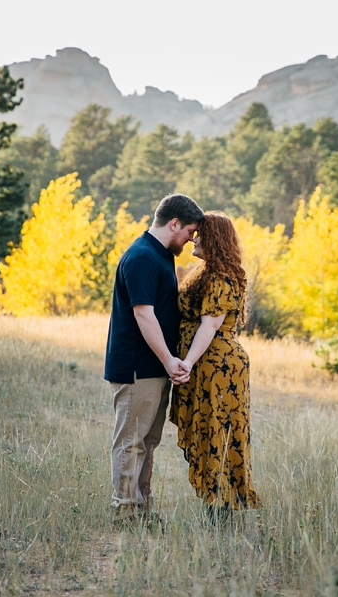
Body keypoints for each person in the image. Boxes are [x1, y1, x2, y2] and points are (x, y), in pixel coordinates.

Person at [103, 192, 203, 519]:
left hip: (155, 368)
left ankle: (141, 509)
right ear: (173, 223)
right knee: (131, 442)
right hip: (138, 368)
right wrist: (168, 360)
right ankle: (125, 513)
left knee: (147, 442)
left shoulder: (162, 255)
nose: (191, 239)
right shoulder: (144, 257)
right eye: (189, 231)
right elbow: (144, 315)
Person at [170, 212, 259, 513]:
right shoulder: (205, 273)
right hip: (208, 364)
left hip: (218, 367)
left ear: (215, 239)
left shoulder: (220, 278)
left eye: (200, 233)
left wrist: (187, 364)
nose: (194, 237)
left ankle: (222, 509)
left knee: (219, 432)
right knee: (210, 430)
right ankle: (217, 503)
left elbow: (209, 325)